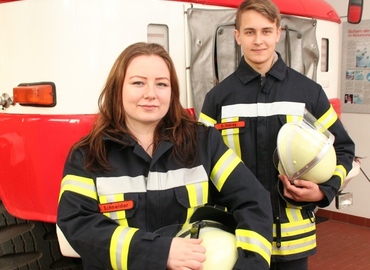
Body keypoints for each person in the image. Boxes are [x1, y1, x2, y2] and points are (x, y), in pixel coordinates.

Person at [57, 42, 273, 270]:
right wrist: (160, 252)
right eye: (138, 83)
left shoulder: (203, 142)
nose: (150, 94)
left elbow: (253, 199)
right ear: (118, 88)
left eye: (161, 84)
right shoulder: (88, 155)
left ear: (172, 91)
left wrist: (251, 265)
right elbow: (78, 224)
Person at [198, 1, 355, 269]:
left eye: (266, 31)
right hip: (238, 240)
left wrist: (323, 191)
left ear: (278, 33)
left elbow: (343, 149)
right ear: (237, 36)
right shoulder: (218, 99)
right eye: (249, 32)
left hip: (294, 243)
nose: (258, 40)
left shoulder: (308, 93)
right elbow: (199, 166)